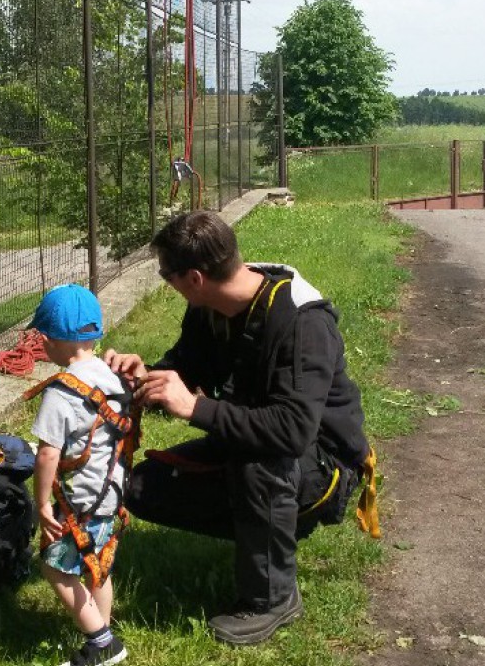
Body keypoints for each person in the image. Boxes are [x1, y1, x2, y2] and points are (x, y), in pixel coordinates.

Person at [104, 210, 373, 647]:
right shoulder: (208, 308)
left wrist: (195, 408)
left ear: (194, 278)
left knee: (257, 462)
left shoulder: (302, 323)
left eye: (166, 274)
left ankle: (271, 598)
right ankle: (265, 535)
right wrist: (146, 376)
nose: (165, 282)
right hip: (253, 444)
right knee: (142, 488)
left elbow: (291, 431)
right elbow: (187, 366)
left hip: (322, 463)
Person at [29, 284, 130, 666]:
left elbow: (47, 454)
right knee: (97, 567)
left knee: (54, 567)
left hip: (80, 501)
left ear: (53, 341)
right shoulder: (111, 377)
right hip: (111, 494)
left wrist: (42, 504)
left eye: (42, 337)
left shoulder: (62, 393)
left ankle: (102, 642)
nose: (40, 344)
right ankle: (100, 628)